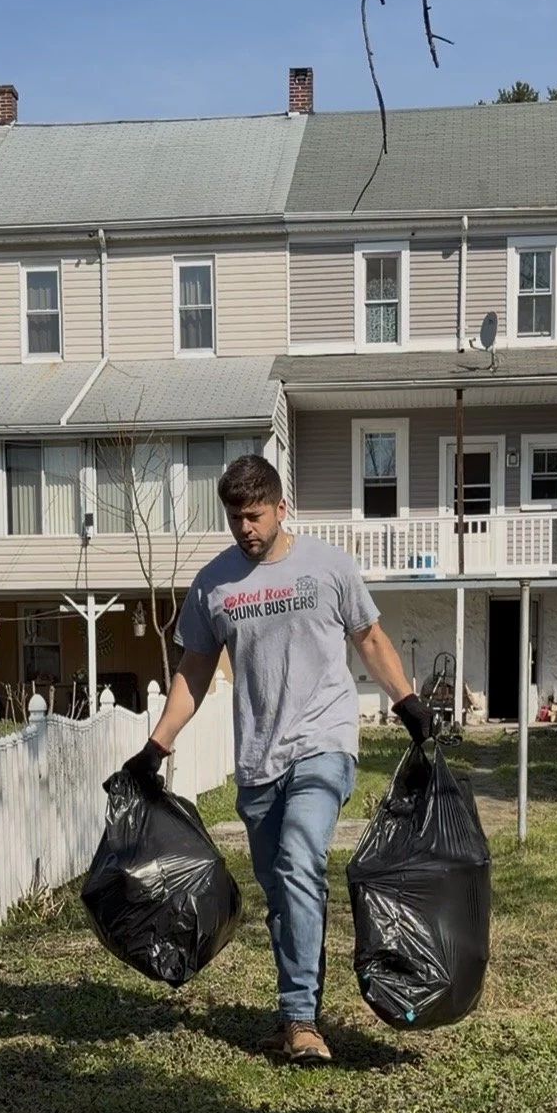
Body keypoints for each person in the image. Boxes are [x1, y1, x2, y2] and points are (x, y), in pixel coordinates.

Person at [124, 453, 432, 1064]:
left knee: (298, 857)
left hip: (324, 743)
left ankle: (300, 1017)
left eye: (256, 515)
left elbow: (369, 638)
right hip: (258, 759)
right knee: (283, 891)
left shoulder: (328, 566)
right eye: (236, 517)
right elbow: (193, 669)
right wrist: (158, 744)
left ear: (281, 508)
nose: (246, 528)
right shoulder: (214, 585)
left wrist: (408, 703)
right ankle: (301, 1011)